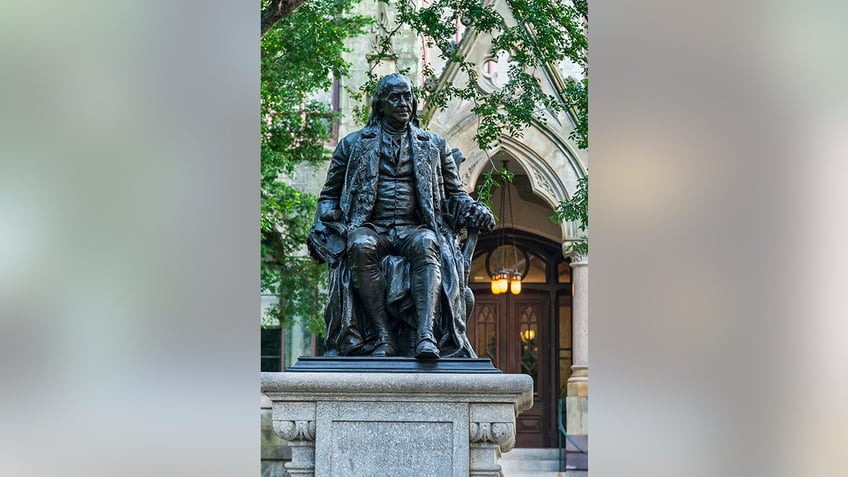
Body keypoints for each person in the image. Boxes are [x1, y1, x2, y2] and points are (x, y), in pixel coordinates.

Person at [308, 73, 494, 359]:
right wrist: (325, 221)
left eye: (407, 96)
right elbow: (328, 196)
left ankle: (425, 336)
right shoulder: (353, 144)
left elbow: (456, 195)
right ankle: (382, 336)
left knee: (427, 243)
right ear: (380, 104)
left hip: (414, 228)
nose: (403, 103)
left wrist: (477, 211)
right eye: (395, 97)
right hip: (372, 227)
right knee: (359, 245)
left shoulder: (434, 145)